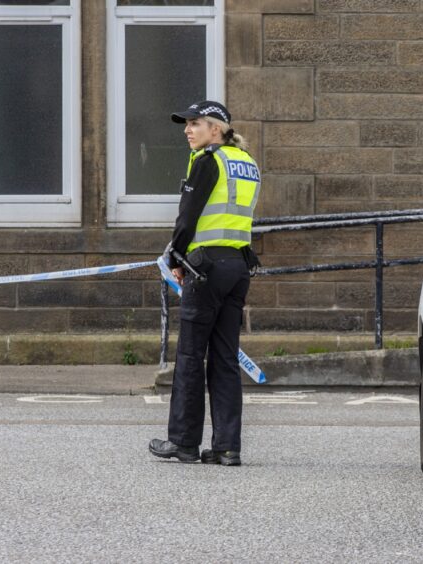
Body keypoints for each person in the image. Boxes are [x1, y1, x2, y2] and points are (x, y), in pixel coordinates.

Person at [149, 100, 260, 466]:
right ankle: (228, 447)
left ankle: (182, 442)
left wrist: (175, 257)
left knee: (191, 355)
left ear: (217, 129)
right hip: (238, 267)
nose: (187, 129)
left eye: (195, 123)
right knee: (226, 359)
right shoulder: (246, 163)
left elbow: (188, 215)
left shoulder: (208, 160)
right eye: (187, 124)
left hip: (206, 267)